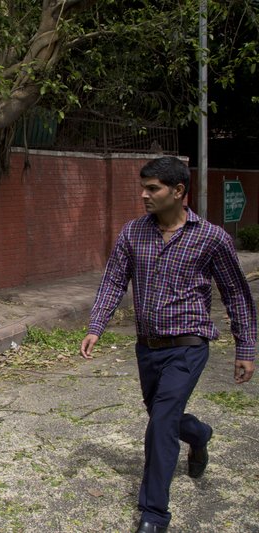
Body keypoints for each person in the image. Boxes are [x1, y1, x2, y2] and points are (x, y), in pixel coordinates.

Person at [79, 156, 256, 533]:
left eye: (153, 188)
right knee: (162, 414)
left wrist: (246, 349)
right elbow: (113, 281)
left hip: (189, 346)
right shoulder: (132, 233)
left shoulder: (212, 238)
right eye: (143, 187)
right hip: (147, 347)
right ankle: (199, 434)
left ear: (178, 191)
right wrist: (97, 325)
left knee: (160, 422)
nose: (144, 195)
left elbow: (237, 296)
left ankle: (154, 514)